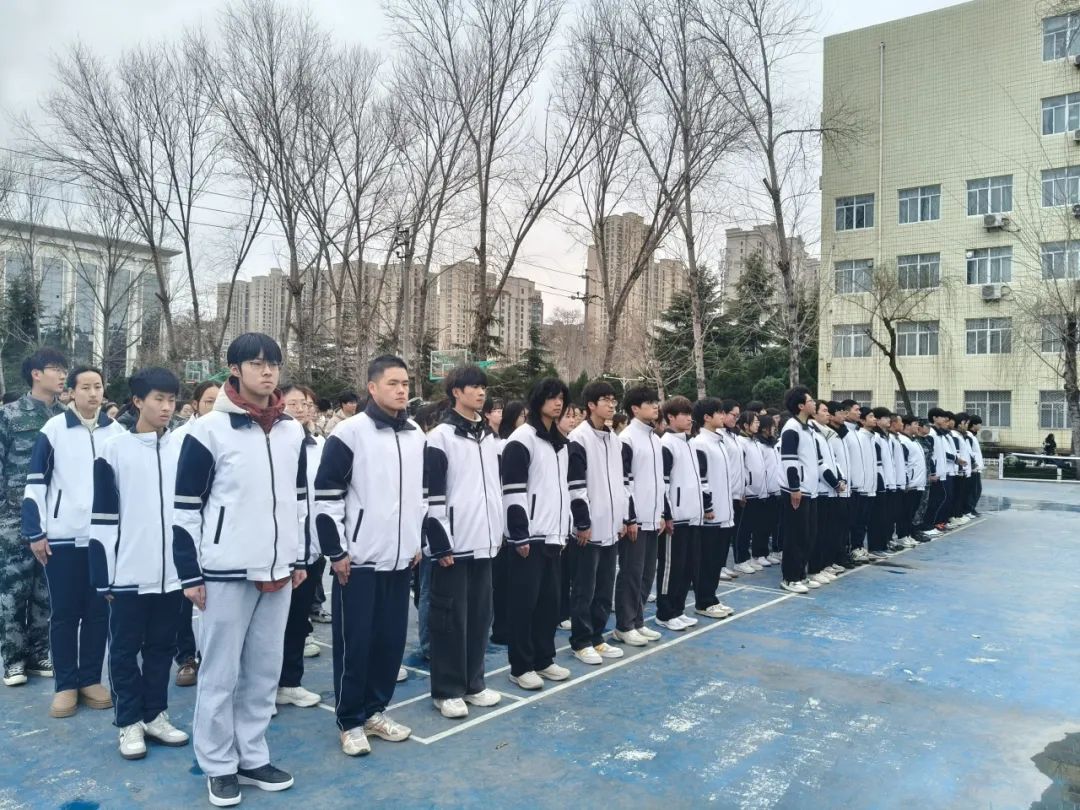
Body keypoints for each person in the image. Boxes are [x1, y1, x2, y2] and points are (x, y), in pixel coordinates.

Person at [173, 333, 307, 806]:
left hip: (278, 570)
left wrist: (298, 556)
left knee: (264, 671)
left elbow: (298, 500)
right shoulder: (208, 430)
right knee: (219, 674)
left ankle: (252, 755)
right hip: (225, 571)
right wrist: (190, 574)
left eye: (273, 363)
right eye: (256, 363)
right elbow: (185, 508)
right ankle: (217, 764)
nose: (267, 371)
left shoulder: (291, 431)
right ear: (234, 369)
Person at [315, 355, 423, 756]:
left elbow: (419, 495)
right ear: (372, 387)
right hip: (359, 561)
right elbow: (326, 498)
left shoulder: (415, 434)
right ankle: (350, 721)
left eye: (405, 383)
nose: (401, 390)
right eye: (393, 383)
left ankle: (376, 711)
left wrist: (415, 541)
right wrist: (337, 551)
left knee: (390, 643)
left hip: (400, 559)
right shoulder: (349, 433)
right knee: (355, 645)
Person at [89, 367, 189, 759]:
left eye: (171, 400)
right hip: (128, 574)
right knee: (124, 650)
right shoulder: (113, 449)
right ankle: (128, 721)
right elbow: (102, 518)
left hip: (171, 575)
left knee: (162, 648)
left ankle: (155, 714)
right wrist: (104, 576)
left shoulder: (182, 448)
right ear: (137, 401)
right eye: (158, 399)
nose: (166, 407)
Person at [23, 364, 124, 717]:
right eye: (85, 387)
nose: (93, 393)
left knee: (99, 612)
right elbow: (35, 482)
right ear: (71, 392)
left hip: (102, 539)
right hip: (62, 538)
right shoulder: (54, 429)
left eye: (98, 386)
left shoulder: (117, 433)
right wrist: (36, 532)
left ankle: (91, 679)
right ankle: (65, 684)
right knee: (64, 614)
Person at [423, 365, 504, 718]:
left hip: (485, 543)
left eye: (483, 387)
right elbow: (432, 496)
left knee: (479, 617)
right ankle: (447, 690)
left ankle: (474, 683)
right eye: (473, 387)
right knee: (449, 620)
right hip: (454, 546)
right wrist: (440, 542)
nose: (481, 392)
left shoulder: (489, 437)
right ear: (456, 392)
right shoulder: (440, 437)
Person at [0, 349, 66, 688]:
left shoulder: (66, 417)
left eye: (64, 369)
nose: (63, 374)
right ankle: (12, 659)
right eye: (55, 368)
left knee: (46, 590)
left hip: (53, 517)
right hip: (13, 518)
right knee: (14, 589)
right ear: (36, 374)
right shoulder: (9, 415)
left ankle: (39, 653)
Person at [501, 379, 572, 691]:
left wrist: (564, 527)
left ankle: (544, 659)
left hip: (554, 536)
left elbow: (562, 491)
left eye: (561, 399)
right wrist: (520, 534)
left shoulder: (559, 443)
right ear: (537, 400)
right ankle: (521, 666)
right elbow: (513, 491)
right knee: (523, 605)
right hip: (530, 538)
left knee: (549, 604)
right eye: (551, 398)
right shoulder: (522, 439)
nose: (558, 403)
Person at [566, 381, 632, 665]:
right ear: (591, 405)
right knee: (585, 588)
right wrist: (582, 522)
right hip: (589, 528)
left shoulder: (614, 439)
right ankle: (581, 641)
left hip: (611, 526)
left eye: (613, 400)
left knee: (605, 586)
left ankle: (597, 637)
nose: (611, 405)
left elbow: (621, 484)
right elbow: (576, 487)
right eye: (605, 400)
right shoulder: (578, 439)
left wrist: (623, 518)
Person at [272, 385, 324, 713]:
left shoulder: (319, 445)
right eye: (292, 403)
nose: (300, 409)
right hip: (279, 549)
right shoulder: (272, 444)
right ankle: (263, 688)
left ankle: (290, 682)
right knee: (270, 626)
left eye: (305, 403)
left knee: (297, 621)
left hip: (311, 548)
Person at [169, 379, 221, 689]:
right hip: (188, 528)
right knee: (185, 597)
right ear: (196, 405)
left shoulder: (229, 435)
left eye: (219, 400)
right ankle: (186, 657)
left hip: (218, 533)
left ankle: (212, 657)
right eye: (209, 401)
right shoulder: (180, 439)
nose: (214, 406)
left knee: (216, 602)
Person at [614, 388, 667, 646]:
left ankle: (638, 620)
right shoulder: (627, 439)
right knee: (631, 573)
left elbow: (659, 482)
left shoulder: (655, 438)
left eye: (655, 402)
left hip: (653, 517)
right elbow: (625, 482)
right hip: (636, 519)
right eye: (649, 402)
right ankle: (624, 625)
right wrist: (630, 518)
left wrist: (662, 513)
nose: (655, 406)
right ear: (635, 409)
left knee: (647, 573)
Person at [656, 396, 714, 631]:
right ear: (671, 417)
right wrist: (667, 514)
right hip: (676, 518)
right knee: (671, 567)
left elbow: (699, 481)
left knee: (688, 567)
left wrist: (705, 507)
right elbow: (663, 484)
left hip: (692, 516)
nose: (690, 418)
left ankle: (678, 610)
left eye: (690, 414)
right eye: (684, 414)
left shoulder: (690, 443)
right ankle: (664, 612)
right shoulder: (666, 444)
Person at [689, 398, 736, 619]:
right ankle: (703, 601)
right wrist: (707, 506)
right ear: (706, 417)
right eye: (719, 412)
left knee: (717, 559)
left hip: (725, 512)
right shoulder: (700, 443)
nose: (723, 416)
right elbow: (702, 480)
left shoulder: (720, 441)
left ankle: (712, 597)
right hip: (711, 514)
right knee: (707, 559)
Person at [490, 401, 526, 647]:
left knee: (512, 581)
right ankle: (501, 628)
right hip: (502, 521)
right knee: (502, 581)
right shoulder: (502, 446)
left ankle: (508, 626)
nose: (525, 420)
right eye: (522, 416)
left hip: (512, 521)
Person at [778, 387, 819, 594]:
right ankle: (790, 577)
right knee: (795, 536)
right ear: (801, 406)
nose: (815, 403)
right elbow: (789, 460)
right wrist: (794, 487)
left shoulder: (809, 428)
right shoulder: (791, 428)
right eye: (811, 401)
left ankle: (801, 573)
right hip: (796, 491)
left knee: (807, 534)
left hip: (809, 490)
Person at [807, 402, 844, 585]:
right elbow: (820, 464)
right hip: (821, 490)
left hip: (831, 490)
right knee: (818, 533)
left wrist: (841, 479)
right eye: (824, 411)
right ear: (814, 415)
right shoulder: (813, 434)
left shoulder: (826, 434)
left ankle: (824, 564)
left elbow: (834, 461)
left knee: (829, 531)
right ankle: (815, 568)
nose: (828, 414)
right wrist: (834, 483)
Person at [733, 411, 769, 574]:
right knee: (743, 529)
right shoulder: (741, 442)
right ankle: (740, 559)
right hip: (747, 492)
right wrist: (744, 488)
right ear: (745, 425)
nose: (758, 424)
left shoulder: (755, 441)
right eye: (754, 422)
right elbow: (741, 468)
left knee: (753, 526)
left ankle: (750, 557)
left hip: (758, 492)